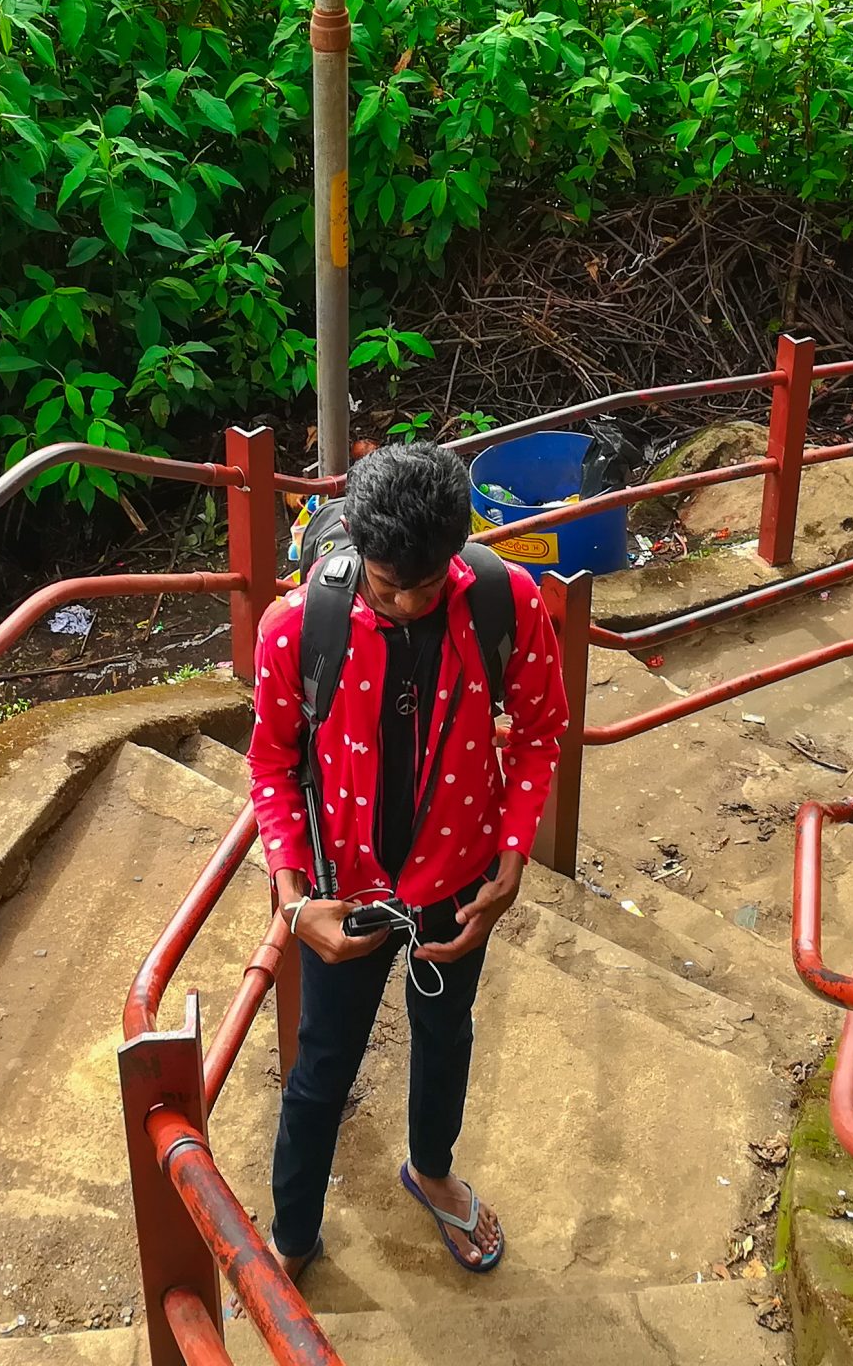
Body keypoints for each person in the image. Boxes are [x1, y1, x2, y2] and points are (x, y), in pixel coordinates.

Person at [246, 442, 569, 1277]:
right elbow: (272, 766)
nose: (413, 601)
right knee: (321, 1067)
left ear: (458, 548)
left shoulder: (506, 600)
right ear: (358, 544)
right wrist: (292, 901)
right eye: (392, 587)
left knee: (446, 1033)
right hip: (341, 892)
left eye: (431, 583)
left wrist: (514, 852)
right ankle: (291, 1240)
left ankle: (431, 1169)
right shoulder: (298, 627)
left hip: (460, 881)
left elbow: (539, 732)